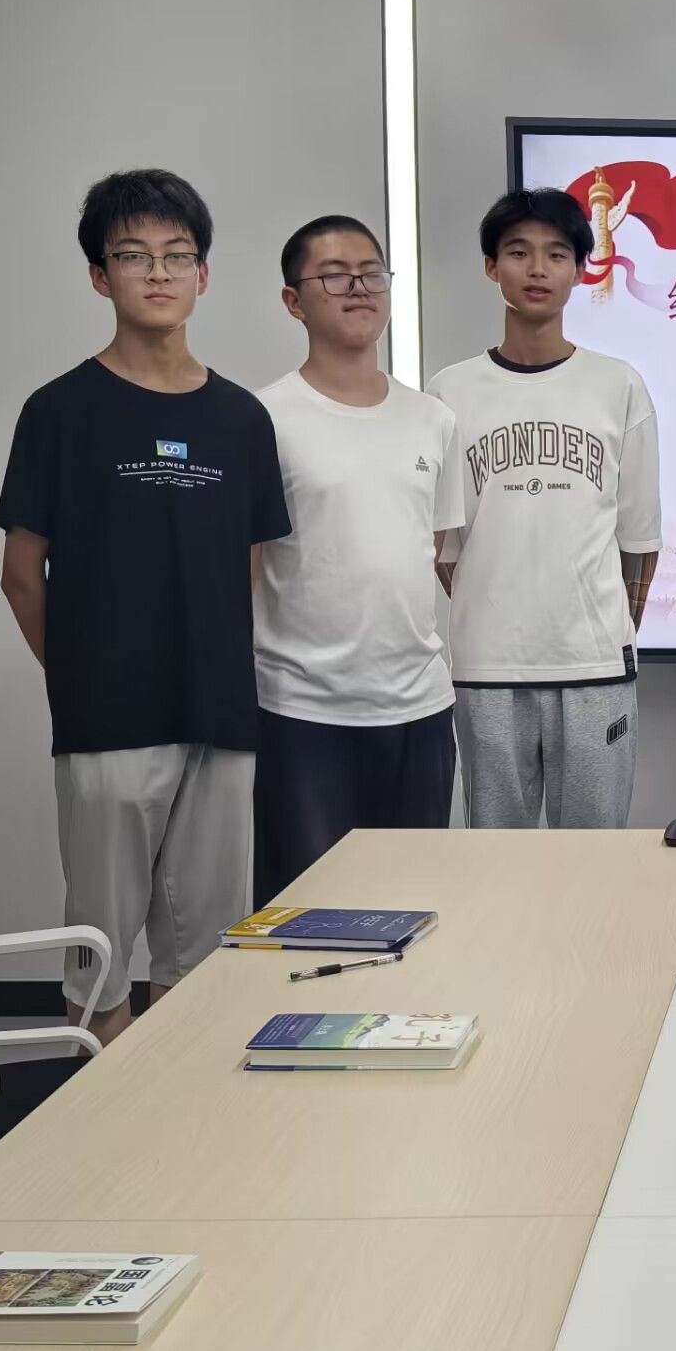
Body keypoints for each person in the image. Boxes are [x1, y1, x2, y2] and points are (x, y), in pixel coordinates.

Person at [0, 170, 289, 1045]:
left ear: (204, 275)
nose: (158, 273)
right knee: (101, 948)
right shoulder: (59, 411)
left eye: (177, 255)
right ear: (100, 277)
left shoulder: (242, 418)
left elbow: (245, 566)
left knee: (208, 949)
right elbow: (21, 574)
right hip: (108, 721)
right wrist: (87, 675)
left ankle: (185, 1115)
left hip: (221, 715)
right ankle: (98, 1114)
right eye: (133, 256)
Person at [428, 188, 661, 829]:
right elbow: (445, 547)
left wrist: (604, 631)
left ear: (581, 270)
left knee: (594, 857)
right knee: (495, 858)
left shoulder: (618, 385)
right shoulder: (449, 391)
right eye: (518, 252)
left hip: (594, 664)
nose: (537, 269)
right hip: (487, 665)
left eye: (557, 254)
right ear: (491, 266)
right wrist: (496, 607)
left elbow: (639, 539)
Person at [251, 216, 462, 902]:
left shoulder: (432, 418)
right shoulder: (263, 418)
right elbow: (243, 565)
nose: (359, 287)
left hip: (418, 707)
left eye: (372, 273)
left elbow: (436, 550)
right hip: (302, 710)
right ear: (293, 301)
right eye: (335, 276)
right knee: (307, 919)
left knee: (410, 913)